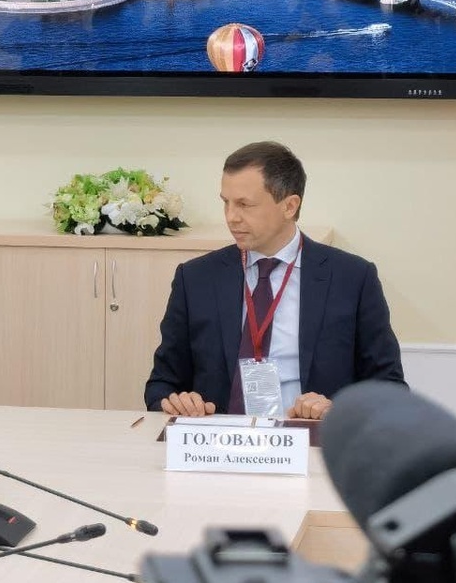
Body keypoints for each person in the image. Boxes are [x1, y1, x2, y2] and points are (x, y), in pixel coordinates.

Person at [144, 141, 405, 420]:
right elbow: (161, 384)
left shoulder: (352, 278)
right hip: (217, 446)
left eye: (245, 205)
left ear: (289, 206)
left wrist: (336, 411)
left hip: (309, 444)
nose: (231, 217)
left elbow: (390, 389)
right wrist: (178, 403)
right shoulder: (196, 278)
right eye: (226, 203)